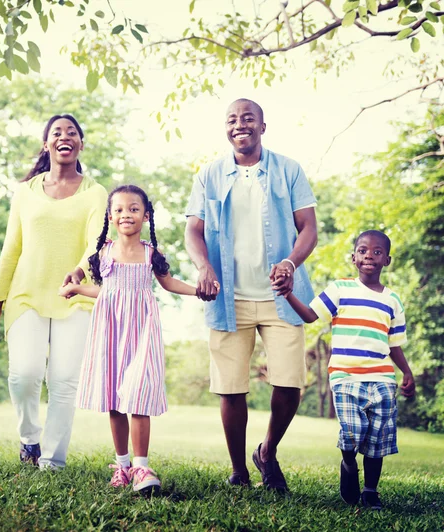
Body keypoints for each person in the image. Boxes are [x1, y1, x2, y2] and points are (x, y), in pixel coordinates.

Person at [184, 98, 318, 492]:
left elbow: (308, 227)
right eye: (232, 120)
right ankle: (239, 470)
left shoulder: (288, 170)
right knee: (231, 387)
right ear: (226, 128)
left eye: (248, 118)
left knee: (290, 383)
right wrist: (204, 267)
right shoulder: (210, 174)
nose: (239, 124)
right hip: (229, 296)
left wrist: (291, 264)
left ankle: (268, 450)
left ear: (262, 126)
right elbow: (193, 230)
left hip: (282, 295)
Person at [60, 185, 211, 494]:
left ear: (146, 215)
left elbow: (167, 283)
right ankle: (123, 465)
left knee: (139, 394)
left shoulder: (150, 253)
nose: (125, 214)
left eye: (133, 208)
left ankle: (142, 467)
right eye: (118, 209)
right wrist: (77, 289)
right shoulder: (103, 252)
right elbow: (107, 290)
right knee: (115, 399)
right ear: (110, 216)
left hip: (142, 330)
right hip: (110, 329)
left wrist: (198, 290)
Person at [0, 114, 108, 470]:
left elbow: (96, 244)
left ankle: (53, 461)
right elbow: (12, 247)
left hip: (76, 297)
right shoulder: (25, 192)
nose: (64, 137)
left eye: (72, 132)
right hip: (26, 294)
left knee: (64, 382)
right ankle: (29, 439)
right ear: (47, 144)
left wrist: (81, 271)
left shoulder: (95, 193)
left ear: (81, 145)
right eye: (57, 132)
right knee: (23, 375)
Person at [282, 230, 415, 510]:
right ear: (353, 258)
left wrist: (407, 372)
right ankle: (347, 461)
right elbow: (309, 315)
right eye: (363, 250)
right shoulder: (341, 289)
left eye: (377, 252)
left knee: (378, 438)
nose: (370, 255)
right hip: (345, 376)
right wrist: (288, 293)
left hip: (382, 379)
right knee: (353, 432)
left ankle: (370, 491)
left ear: (387, 260)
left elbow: (394, 345)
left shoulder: (393, 300)